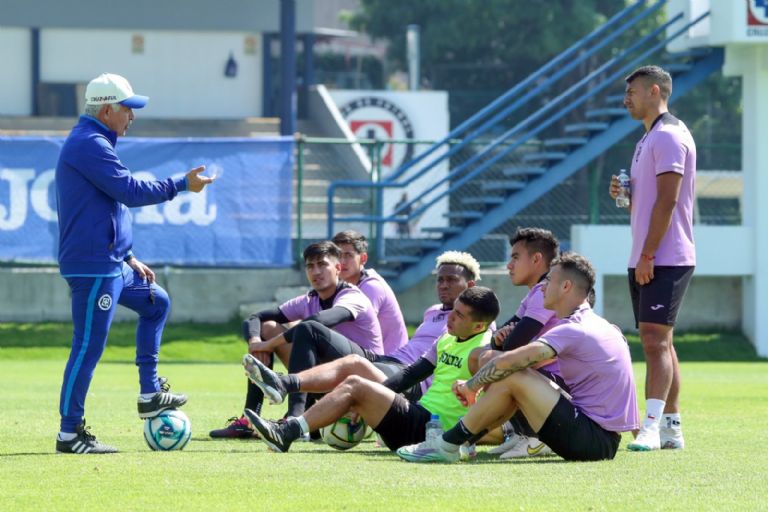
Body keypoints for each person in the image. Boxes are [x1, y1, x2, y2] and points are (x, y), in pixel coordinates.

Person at [54, 73, 215, 454]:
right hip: (94, 267)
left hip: (111, 261)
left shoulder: (95, 142)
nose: (132, 116)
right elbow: (128, 192)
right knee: (87, 347)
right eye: (128, 109)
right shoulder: (88, 143)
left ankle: (149, 392)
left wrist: (128, 255)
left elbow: (105, 206)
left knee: (156, 302)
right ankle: (69, 433)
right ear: (107, 110)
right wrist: (179, 184)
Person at [397, 253, 638, 463]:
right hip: (601, 438)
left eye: (549, 281)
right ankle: (460, 442)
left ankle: (447, 444)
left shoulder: (574, 329)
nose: (542, 287)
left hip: (592, 440)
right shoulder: (599, 324)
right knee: (512, 377)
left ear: (565, 287)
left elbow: (511, 362)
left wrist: (471, 386)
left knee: (513, 373)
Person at [243, 286, 500, 454]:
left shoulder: (483, 351)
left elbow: (500, 400)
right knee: (357, 383)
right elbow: (412, 374)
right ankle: (283, 392)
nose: (451, 318)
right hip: (417, 417)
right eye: (453, 310)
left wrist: (469, 439)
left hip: (435, 433)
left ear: (479, 327)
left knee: (356, 381)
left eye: (460, 315)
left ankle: (286, 430)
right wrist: (374, 398)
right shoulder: (446, 338)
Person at [241, 251, 481, 410]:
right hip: (390, 361)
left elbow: (470, 363)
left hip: (410, 379)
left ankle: (287, 394)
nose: (443, 285)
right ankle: (263, 411)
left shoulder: (478, 321)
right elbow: (257, 318)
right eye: (440, 280)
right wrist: (257, 340)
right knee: (293, 330)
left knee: (329, 344)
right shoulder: (432, 311)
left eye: (451, 280)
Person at [209, 241, 383, 438]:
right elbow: (254, 318)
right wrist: (256, 344)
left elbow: (319, 322)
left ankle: (295, 417)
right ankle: (249, 420)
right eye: (310, 266)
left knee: (308, 329)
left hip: (368, 380)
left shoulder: (353, 296)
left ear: (337, 268)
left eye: (322, 264)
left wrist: (270, 344)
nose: (316, 271)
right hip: (329, 379)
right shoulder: (310, 299)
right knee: (268, 327)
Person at [610, 65, 696, 451]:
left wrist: (648, 254)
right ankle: (672, 428)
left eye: (632, 92)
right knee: (661, 340)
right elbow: (646, 201)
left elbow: (668, 201)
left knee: (653, 340)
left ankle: (651, 425)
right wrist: (622, 193)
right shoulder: (648, 138)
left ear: (655, 91)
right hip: (646, 255)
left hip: (665, 256)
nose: (626, 98)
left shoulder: (669, 136)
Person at [469, 227, 563, 459]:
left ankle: (537, 438)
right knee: (478, 355)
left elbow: (513, 343)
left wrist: (504, 340)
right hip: (541, 379)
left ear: (537, 259)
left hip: (563, 385)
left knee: (490, 359)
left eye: (515, 257)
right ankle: (520, 434)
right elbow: (500, 338)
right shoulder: (534, 293)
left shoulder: (545, 291)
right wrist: (500, 338)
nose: (509, 265)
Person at [331, 230, 408, 355]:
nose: (342, 262)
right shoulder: (345, 286)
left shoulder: (371, 287)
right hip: (370, 360)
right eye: (338, 256)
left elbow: (359, 332)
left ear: (363, 258)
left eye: (348, 255)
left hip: (392, 364)